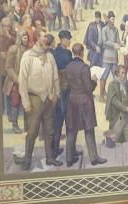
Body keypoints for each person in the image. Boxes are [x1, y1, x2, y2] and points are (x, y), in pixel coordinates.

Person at [18, 31, 61, 170]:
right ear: (37, 38)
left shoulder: (49, 56)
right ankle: (27, 160)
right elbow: (22, 81)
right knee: (32, 133)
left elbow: (55, 78)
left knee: (49, 130)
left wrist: (56, 94)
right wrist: (26, 103)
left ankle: (49, 158)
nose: (46, 38)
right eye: (43, 36)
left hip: (49, 99)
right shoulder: (27, 56)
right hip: (34, 99)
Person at [63, 43, 106, 166]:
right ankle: (93, 158)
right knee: (89, 129)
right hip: (84, 101)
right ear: (82, 53)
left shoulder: (68, 67)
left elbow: (67, 84)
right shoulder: (85, 68)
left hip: (72, 100)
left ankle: (69, 159)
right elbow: (89, 88)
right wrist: (94, 80)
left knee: (71, 130)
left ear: (73, 53)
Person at [51, 29, 74, 161]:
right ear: (61, 39)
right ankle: (56, 151)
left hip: (63, 90)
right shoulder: (61, 53)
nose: (69, 41)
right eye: (67, 39)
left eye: (69, 38)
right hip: (62, 91)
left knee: (63, 121)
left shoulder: (61, 52)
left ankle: (61, 150)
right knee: (61, 121)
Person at [3, 29, 29, 134]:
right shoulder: (13, 49)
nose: (26, 39)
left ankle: (28, 126)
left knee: (28, 103)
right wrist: (17, 80)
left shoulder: (29, 50)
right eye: (24, 37)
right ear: (19, 38)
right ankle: (15, 124)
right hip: (15, 82)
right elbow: (8, 67)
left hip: (27, 81)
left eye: (27, 37)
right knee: (15, 103)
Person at [104, 64, 128, 144]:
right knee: (114, 141)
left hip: (127, 118)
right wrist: (126, 108)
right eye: (122, 73)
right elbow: (114, 101)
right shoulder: (112, 85)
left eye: (125, 73)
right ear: (117, 73)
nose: (124, 75)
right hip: (118, 117)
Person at [99, 11, 120, 100]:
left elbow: (118, 41)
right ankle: (101, 96)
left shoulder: (116, 29)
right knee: (104, 77)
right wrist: (114, 45)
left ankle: (116, 96)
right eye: (111, 19)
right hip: (107, 57)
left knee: (116, 77)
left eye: (113, 19)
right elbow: (104, 42)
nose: (113, 21)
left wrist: (122, 44)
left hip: (114, 57)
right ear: (108, 19)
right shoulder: (104, 29)